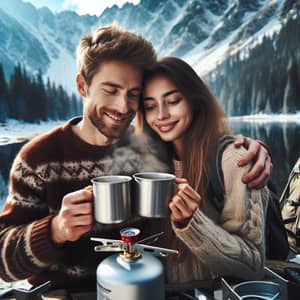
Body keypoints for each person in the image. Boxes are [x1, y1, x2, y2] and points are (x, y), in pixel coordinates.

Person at [0, 26, 270, 293]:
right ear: (82, 85)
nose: (123, 107)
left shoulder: (150, 146)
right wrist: (55, 230)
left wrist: (249, 149)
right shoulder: (38, 159)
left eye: (133, 94)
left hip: (148, 290)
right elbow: (3, 265)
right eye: (111, 89)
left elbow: (199, 143)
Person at [136, 56, 270, 289]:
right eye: (150, 106)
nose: (161, 115)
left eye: (173, 100)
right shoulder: (149, 163)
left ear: (194, 101)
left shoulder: (235, 159)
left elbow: (253, 264)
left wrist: (193, 223)